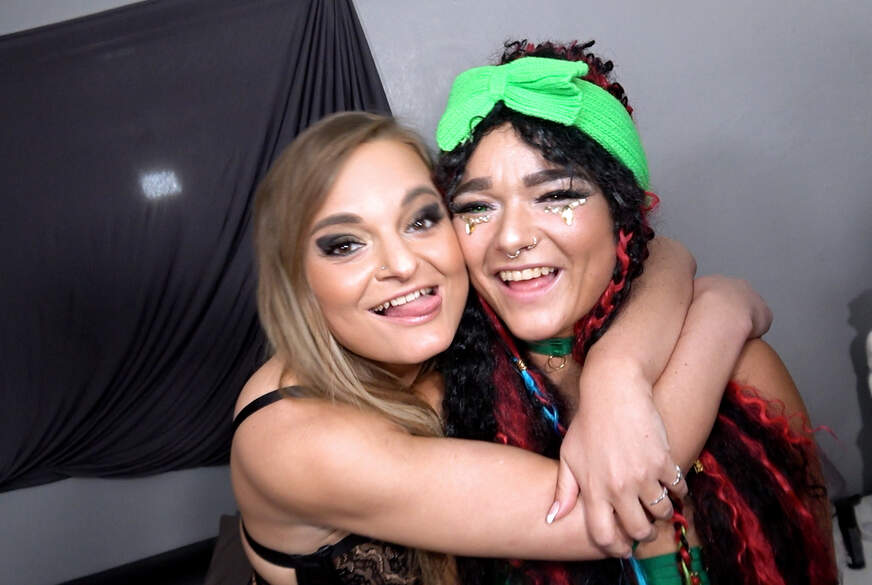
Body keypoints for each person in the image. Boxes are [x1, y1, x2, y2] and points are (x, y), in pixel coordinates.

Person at [231, 110, 768, 585]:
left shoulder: (451, 335)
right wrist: (720, 319)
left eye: (421, 220)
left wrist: (618, 370)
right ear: (295, 280)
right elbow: (610, 511)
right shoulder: (294, 440)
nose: (402, 264)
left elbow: (647, 248)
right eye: (345, 244)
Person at [434, 39, 837, 585]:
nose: (510, 238)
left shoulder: (743, 373)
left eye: (555, 195)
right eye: (477, 206)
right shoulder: (443, 409)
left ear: (622, 213)